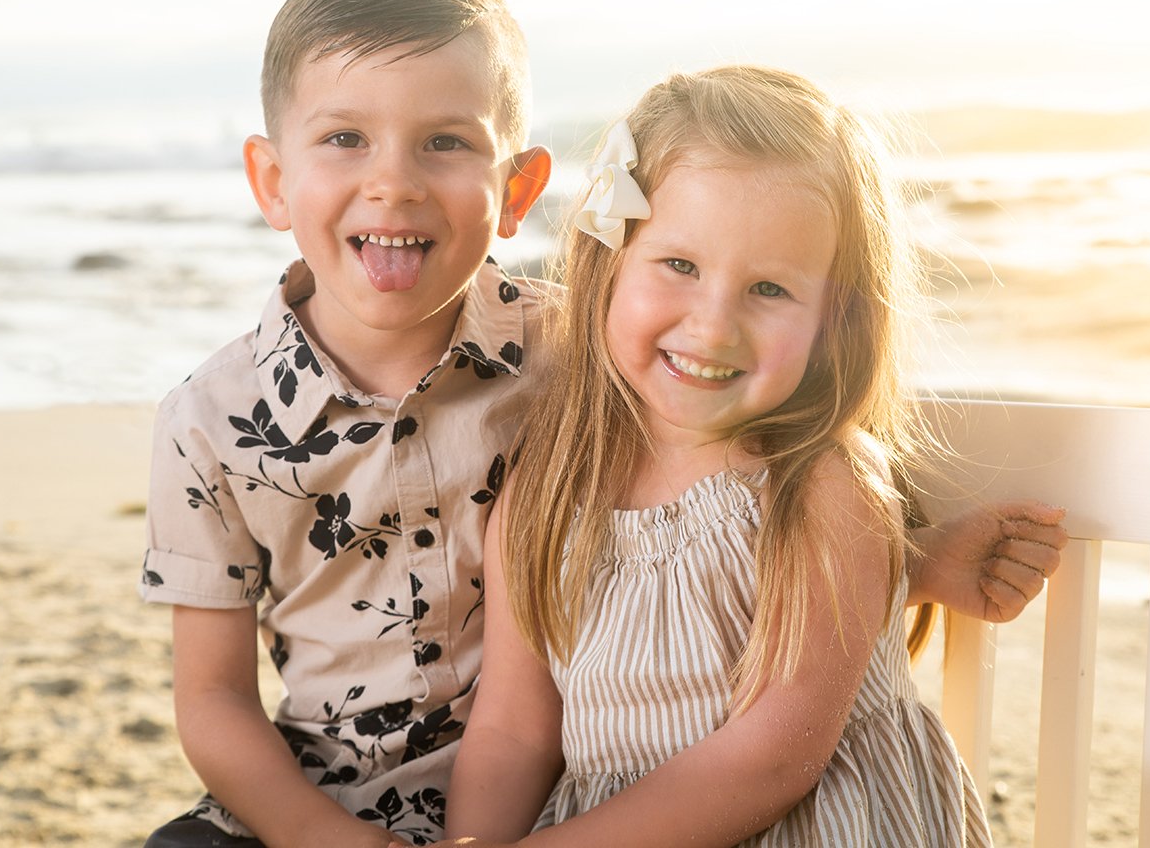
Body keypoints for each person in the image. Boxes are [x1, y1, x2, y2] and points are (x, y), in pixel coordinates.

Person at [140, 0, 1064, 848]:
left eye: (446, 141)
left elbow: (740, 535)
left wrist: (906, 563)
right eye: (346, 138)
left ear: (518, 190)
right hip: (327, 800)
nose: (394, 182)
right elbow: (217, 698)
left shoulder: (585, 354)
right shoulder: (211, 424)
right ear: (272, 181)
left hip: (575, 811)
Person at [437, 66, 1019, 847]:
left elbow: (772, 761)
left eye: (770, 290)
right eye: (680, 266)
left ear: (833, 318)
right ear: (611, 263)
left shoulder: (821, 487)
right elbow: (514, 732)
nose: (713, 327)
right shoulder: (546, 491)